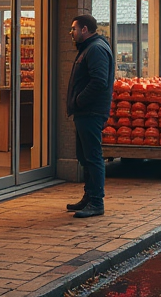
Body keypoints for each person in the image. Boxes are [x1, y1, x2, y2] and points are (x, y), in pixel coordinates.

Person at [65, 14, 114, 218]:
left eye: (74, 29)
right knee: (84, 156)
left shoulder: (95, 49)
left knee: (93, 157)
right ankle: (89, 196)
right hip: (86, 111)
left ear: (85, 29)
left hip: (90, 112)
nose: (71, 33)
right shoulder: (90, 48)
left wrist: (79, 101)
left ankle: (96, 202)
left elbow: (99, 81)